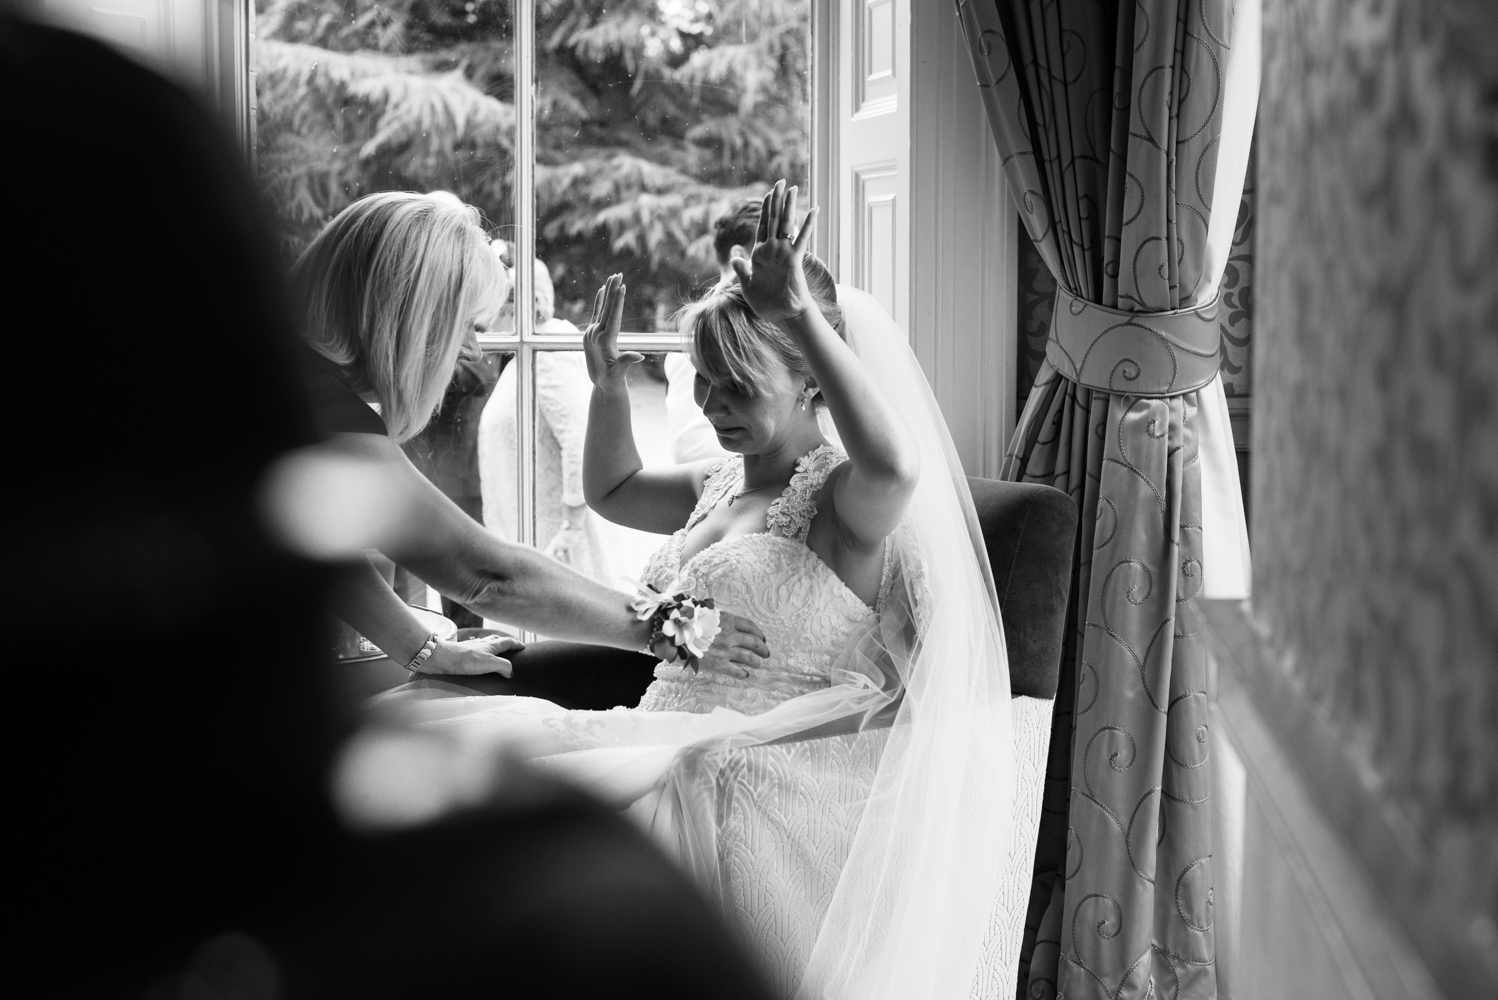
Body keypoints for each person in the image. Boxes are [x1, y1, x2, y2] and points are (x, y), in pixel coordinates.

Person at [376, 182, 1018, 998]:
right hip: (658, 729)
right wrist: (609, 385)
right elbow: (615, 489)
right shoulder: (717, 485)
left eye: (739, 388)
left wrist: (800, 318)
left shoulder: (844, 502)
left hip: (760, 764)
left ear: (812, 384)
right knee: (449, 769)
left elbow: (897, 465)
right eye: (705, 382)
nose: (714, 406)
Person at [293, 192, 770, 678]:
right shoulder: (316, 409)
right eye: (465, 326)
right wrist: (671, 627)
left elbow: (323, 554)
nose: (473, 351)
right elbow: (486, 577)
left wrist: (421, 648)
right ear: (408, 316)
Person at [661, 198, 762, 463]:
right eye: (776, 250)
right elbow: (691, 446)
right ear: (740, 256)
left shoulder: (771, 321)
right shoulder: (705, 327)